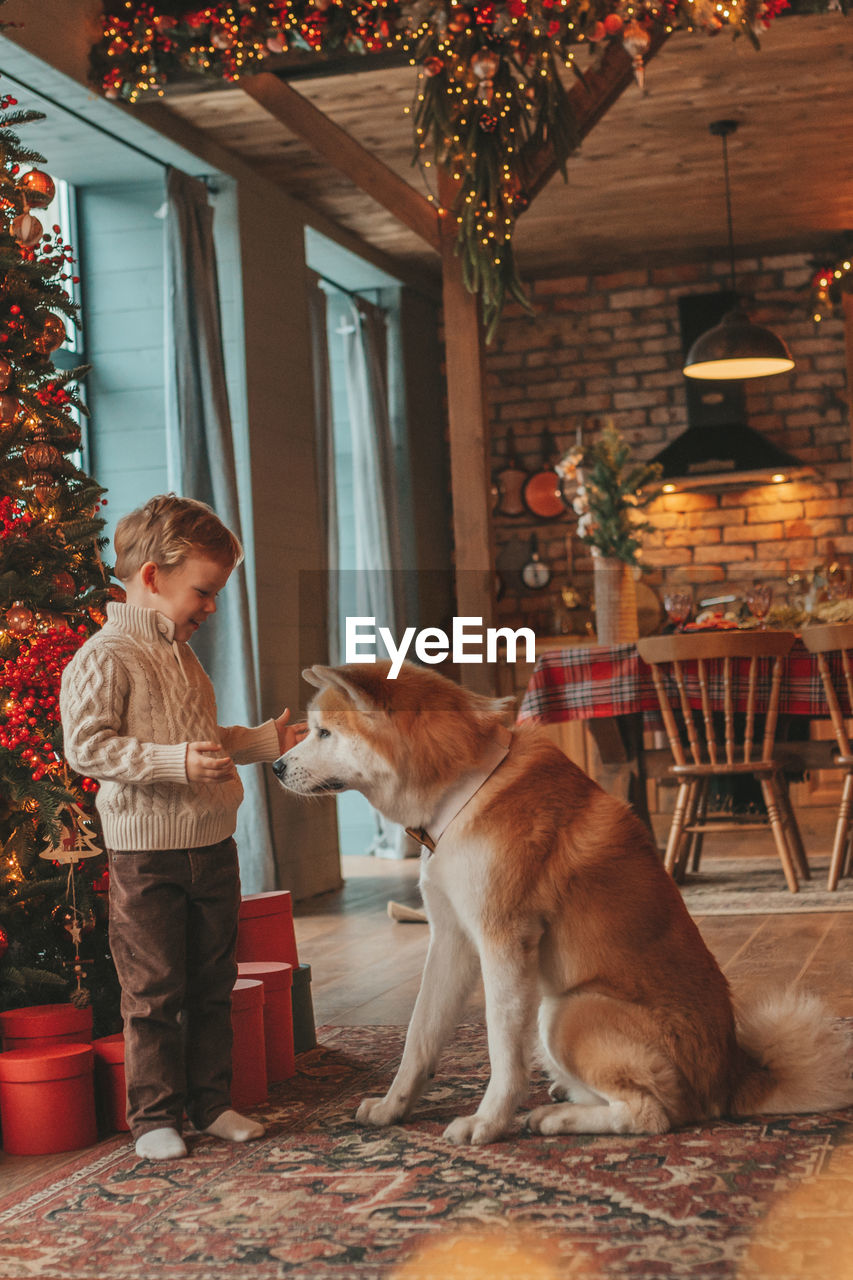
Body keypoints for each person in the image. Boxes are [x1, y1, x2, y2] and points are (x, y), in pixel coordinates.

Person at [60, 494, 306, 1162]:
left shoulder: (182, 655)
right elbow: (87, 746)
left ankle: (210, 1102)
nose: (210, 606)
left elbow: (199, 740)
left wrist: (260, 741)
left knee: (210, 983)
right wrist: (171, 762)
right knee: (155, 992)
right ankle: (155, 1118)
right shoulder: (104, 656)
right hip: (147, 859)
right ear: (152, 578)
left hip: (211, 846)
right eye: (203, 591)